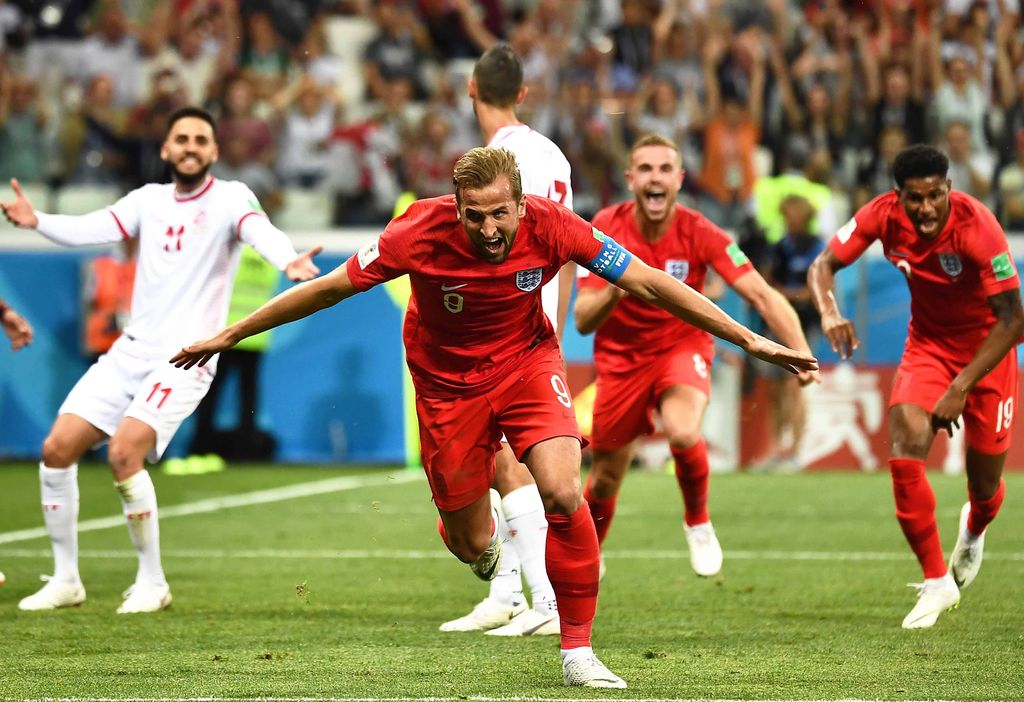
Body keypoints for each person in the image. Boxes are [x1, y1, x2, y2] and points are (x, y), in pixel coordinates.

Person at [170, 146, 817, 688]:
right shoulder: (415, 233)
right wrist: (230, 334)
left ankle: (577, 651)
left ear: (521, 203)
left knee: (565, 491)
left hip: (527, 366)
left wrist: (748, 338)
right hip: (445, 386)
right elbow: (330, 287)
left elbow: (647, 281)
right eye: (475, 216)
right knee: (467, 539)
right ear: (455, 207)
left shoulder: (553, 224)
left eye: (500, 214)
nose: (488, 230)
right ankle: (483, 554)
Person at [0, 106, 321, 614]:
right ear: (167, 150)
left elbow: (260, 231)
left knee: (123, 453)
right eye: (182, 138)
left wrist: (290, 260)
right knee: (57, 448)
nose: (191, 146)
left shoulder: (231, 198)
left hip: (186, 357)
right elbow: (92, 228)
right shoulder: (147, 201)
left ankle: (152, 582)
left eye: (201, 139)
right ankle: (66, 580)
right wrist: (37, 219)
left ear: (213, 151)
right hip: (129, 350)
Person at [574, 134, 816, 578]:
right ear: (630, 179)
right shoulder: (606, 226)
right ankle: (588, 557)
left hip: (681, 347)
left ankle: (698, 521)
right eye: (645, 169)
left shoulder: (701, 232)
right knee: (606, 477)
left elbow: (762, 294)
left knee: (684, 432)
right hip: (621, 357)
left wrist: (799, 351)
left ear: (680, 179)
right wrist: (617, 281)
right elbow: (584, 319)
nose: (655, 177)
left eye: (665, 169)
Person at [807, 144, 1024, 629]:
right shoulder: (881, 216)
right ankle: (936, 581)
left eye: (935, 195)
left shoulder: (978, 227)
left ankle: (973, 528)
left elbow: (1014, 322)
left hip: (988, 357)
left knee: (985, 486)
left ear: (949, 188)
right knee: (905, 442)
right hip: (927, 346)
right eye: (914, 198)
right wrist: (830, 312)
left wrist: (962, 386)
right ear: (897, 196)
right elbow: (823, 265)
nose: (926, 208)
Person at [438, 44, 573, 638]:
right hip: (537, 321)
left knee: (503, 465)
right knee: (501, 465)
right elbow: (569, 245)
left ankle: (542, 602)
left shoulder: (490, 163)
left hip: (501, 325)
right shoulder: (552, 154)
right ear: (522, 93)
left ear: (471, 89)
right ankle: (507, 595)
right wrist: (559, 326)